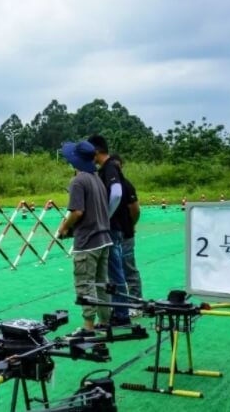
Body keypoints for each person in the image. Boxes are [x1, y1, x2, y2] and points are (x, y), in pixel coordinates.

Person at [57, 141, 113, 333]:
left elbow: (78, 212)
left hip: (88, 242)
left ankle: (88, 326)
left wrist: (64, 227)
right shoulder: (96, 178)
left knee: (85, 283)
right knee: (101, 283)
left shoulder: (78, 181)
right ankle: (105, 321)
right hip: (104, 238)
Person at [87, 135, 131, 326]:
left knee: (115, 270)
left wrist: (105, 215)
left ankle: (121, 314)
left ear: (96, 151)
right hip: (113, 226)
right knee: (114, 270)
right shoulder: (106, 167)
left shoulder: (110, 166)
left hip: (112, 227)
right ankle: (118, 311)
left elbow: (117, 193)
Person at [111, 154, 144, 317]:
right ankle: (117, 304)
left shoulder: (126, 185)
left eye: (117, 167)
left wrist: (131, 225)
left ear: (121, 167)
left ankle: (136, 303)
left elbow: (136, 210)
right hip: (111, 233)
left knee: (128, 268)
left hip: (126, 234)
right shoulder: (107, 185)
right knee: (113, 271)